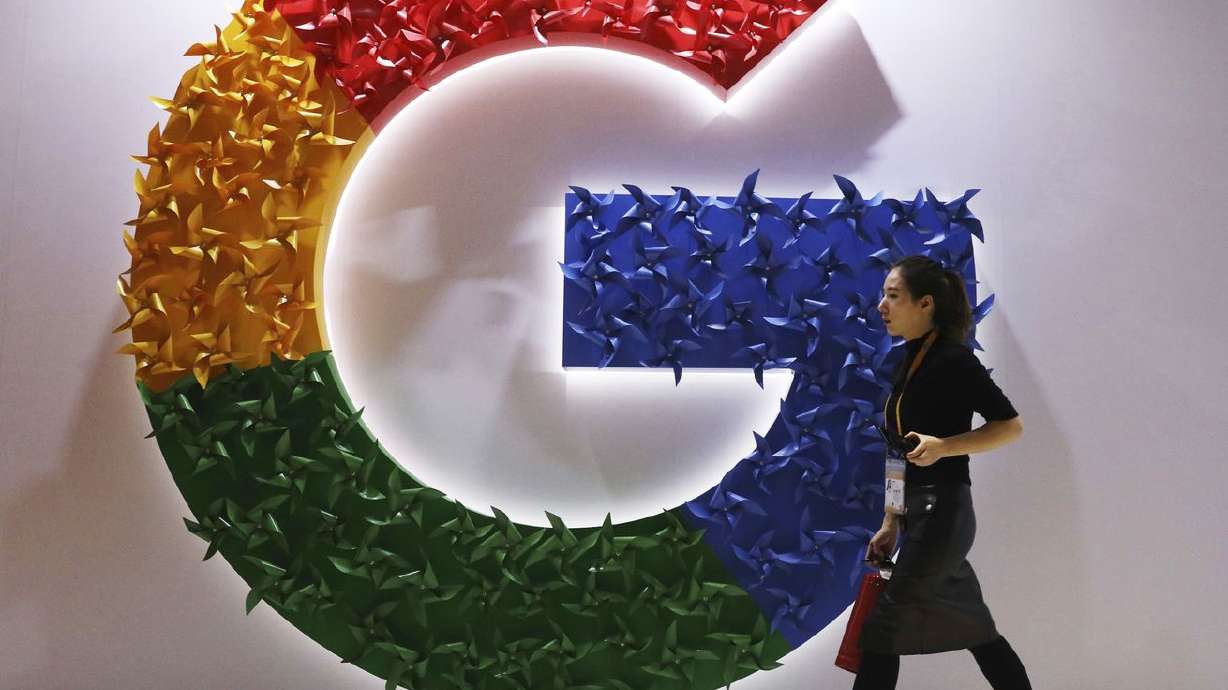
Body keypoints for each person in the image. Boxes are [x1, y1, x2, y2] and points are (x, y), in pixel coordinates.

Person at [852, 255, 1032, 690]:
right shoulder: (908, 361)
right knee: (980, 634)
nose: (882, 305)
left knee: (881, 631)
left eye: (893, 296)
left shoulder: (954, 359)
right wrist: (891, 520)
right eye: (884, 295)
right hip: (920, 516)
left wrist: (946, 447)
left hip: (943, 513)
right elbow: (898, 450)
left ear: (925, 303)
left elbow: (1010, 426)